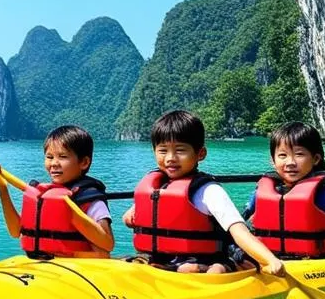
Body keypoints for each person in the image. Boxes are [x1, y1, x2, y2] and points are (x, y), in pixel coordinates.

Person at [122, 110, 284, 275]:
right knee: (128, 264)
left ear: (200, 154)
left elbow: (239, 231)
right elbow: (133, 218)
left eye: (180, 150)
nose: (170, 158)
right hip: (161, 261)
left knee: (194, 269)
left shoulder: (209, 191)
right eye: (163, 151)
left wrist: (270, 260)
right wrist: (132, 215)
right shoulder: (157, 188)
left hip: (207, 262)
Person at [244, 121, 325, 258]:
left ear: (316, 159)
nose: (290, 162)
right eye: (282, 155)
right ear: (273, 160)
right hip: (271, 260)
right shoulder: (258, 194)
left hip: (321, 261)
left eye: (299, 154)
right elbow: (236, 225)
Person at [0, 124, 114, 258]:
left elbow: (107, 244)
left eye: (63, 157)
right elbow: (15, 231)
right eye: (49, 157)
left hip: (79, 268)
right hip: (43, 266)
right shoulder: (44, 195)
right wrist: (2, 186)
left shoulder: (89, 198)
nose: (54, 163)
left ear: (84, 162)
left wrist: (71, 214)